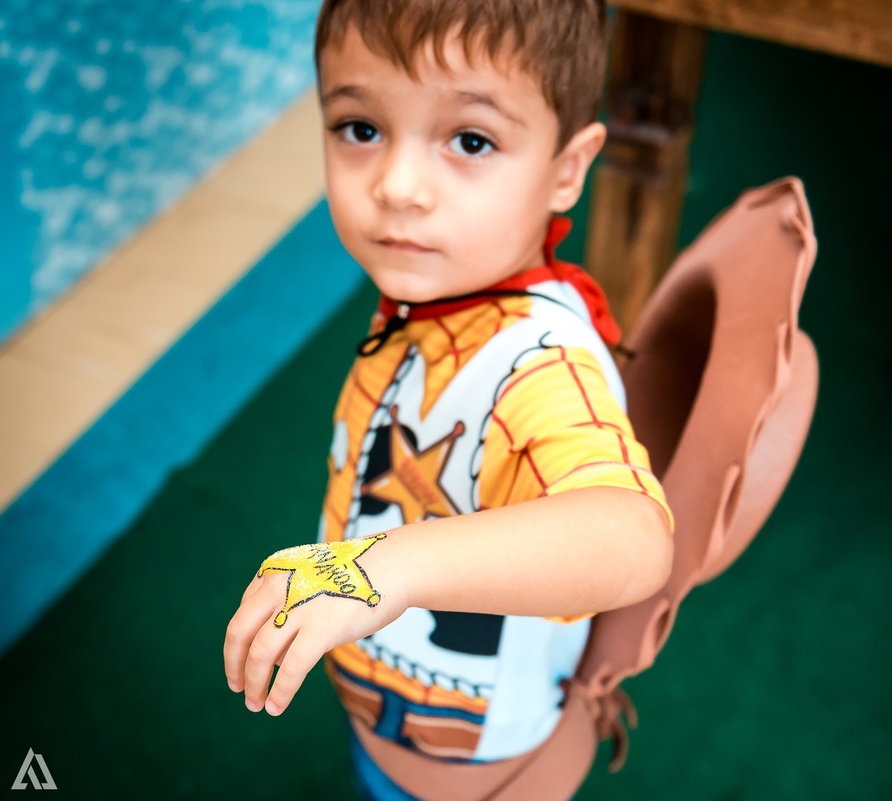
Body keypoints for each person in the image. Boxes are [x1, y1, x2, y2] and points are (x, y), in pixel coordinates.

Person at [222, 0, 674, 798]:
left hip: (464, 756)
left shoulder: (541, 363)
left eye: (470, 140)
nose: (398, 186)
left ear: (567, 171)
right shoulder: (444, 284)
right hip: (379, 679)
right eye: (360, 127)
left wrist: (387, 570)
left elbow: (633, 533)